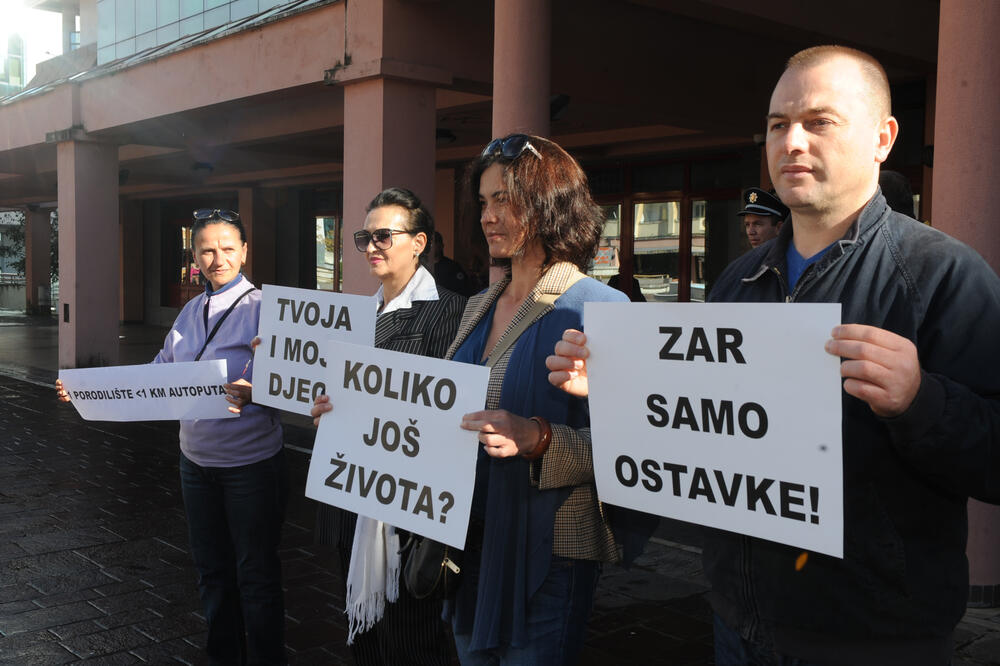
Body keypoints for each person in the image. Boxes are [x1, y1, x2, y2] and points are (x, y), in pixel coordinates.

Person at [549, 44, 1000, 665]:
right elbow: (707, 431)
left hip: (874, 638)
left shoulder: (942, 275)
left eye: (820, 122)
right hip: (737, 622)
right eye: (777, 124)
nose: (792, 142)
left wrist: (921, 400)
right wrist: (621, 391)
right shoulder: (738, 279)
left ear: (883, 138)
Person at [57, 208, 288, 665]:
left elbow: (292, 380)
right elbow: (159, 374)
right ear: (195, 256)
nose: (217, 257)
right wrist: (86, 388)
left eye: (227, 247)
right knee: (211, 573)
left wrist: (257, 389)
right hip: (196, 465)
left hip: (251, 466)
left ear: (244, 251)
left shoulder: (267, 308)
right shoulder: (190, 309)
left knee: (256, 576)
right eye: (207, 249)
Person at [449, 133, 629, 665]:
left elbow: (637, 445)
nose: (488, 215)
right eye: (483, 202)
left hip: (551, 551)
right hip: (469, 541)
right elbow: (442, 409)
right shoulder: (478, 305)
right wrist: (356, 416)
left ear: (550, 202)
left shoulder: (601, 306)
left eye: (504, 198)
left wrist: (540, 439)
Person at [312, 187, 465, 665]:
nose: (372, 246)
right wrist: (321, 405)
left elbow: (447, 413)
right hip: (354, 503)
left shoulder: (454, 313)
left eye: (384, 235)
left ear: (419, 242)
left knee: (411, 644)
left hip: (408, 514)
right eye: (364, 237)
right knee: (364, 641)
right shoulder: (351, 319)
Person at [432, 230, 479, 296]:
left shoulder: (452, 267)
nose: (430, 247)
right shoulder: (422, 267)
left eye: (433, 243)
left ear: (441, 246)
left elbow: (464, 290)